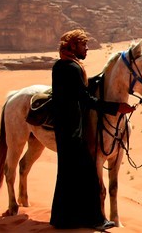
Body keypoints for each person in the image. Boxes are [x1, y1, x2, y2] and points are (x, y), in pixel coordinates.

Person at [49, 29, 135, 230]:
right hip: (72, 130)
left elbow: (79, 90)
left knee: (66, 176)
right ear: (72, 46)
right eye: (83, 44)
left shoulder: (61, 66)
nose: (86, 48)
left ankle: (62, 220)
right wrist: (116, 108)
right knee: (89, 176)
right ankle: (95, 219)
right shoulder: (72, 68)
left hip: (64, 128)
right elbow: (85, 99)